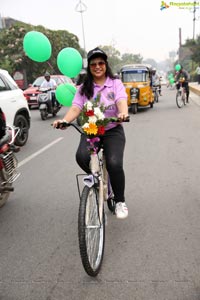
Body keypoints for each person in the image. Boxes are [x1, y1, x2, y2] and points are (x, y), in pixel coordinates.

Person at [53, 47, 129, 219]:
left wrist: (123, 113)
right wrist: (65, 120)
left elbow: (121, 101)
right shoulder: (83, 87)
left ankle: (119, 201)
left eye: (101, 63)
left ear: (105, 64)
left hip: (112, 129)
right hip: (92, 129)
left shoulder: (115, 83)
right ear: (89, 67)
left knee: (114, 163)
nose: (97, 66)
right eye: (93, 64)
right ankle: (95, 178)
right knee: (81, 157)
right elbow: (75, 107)